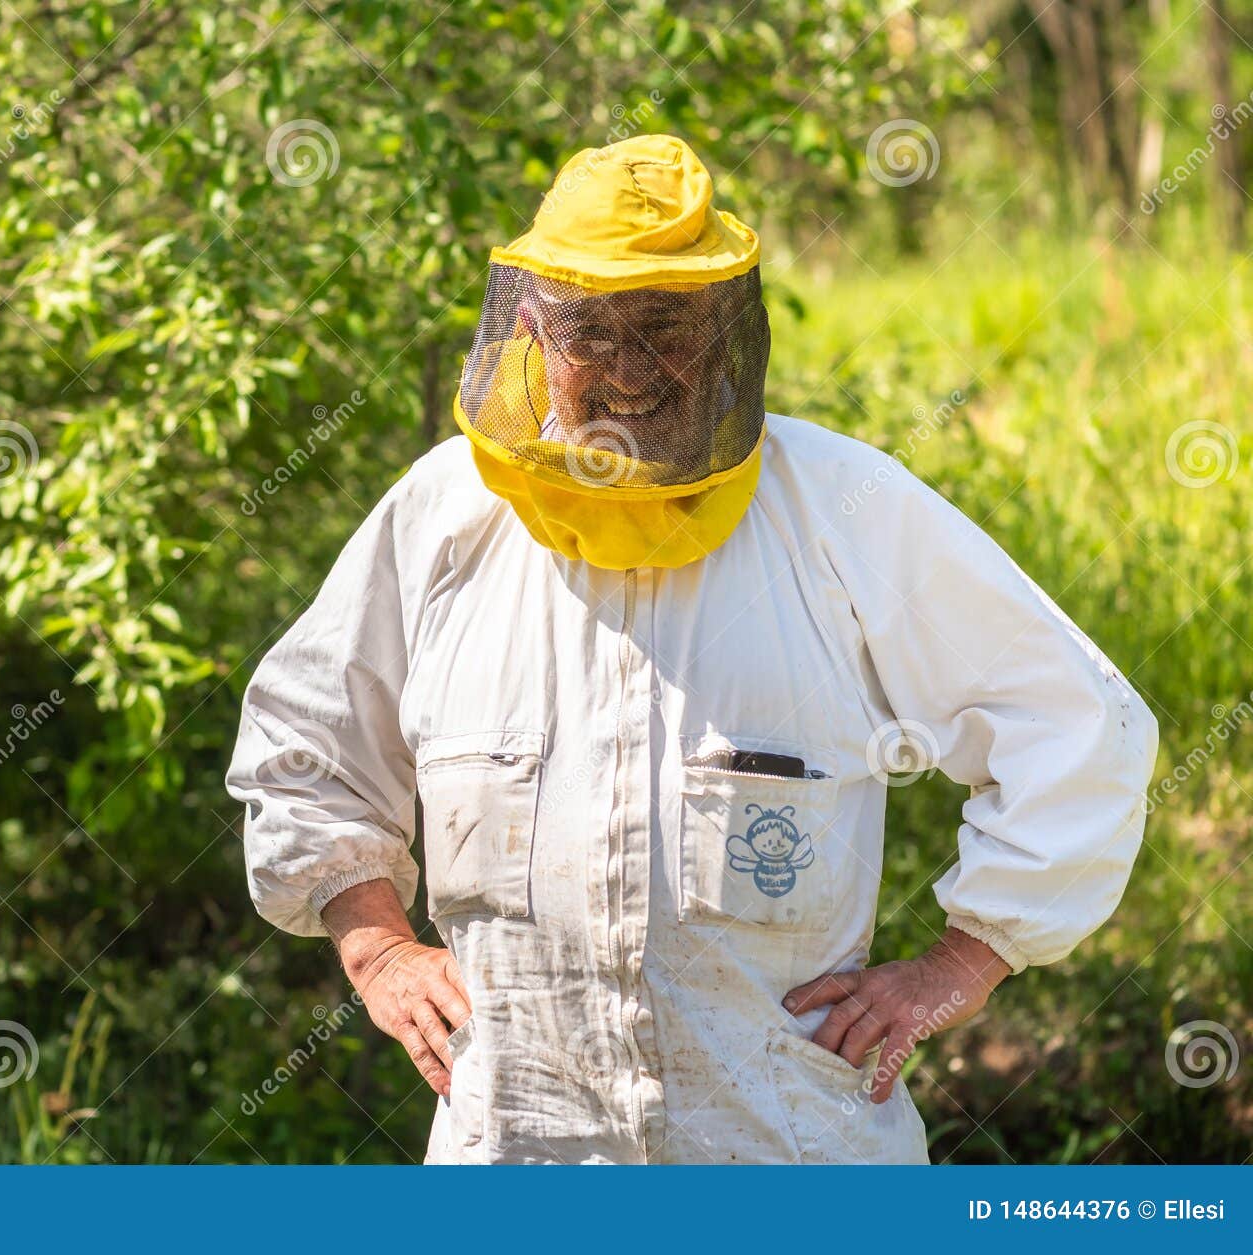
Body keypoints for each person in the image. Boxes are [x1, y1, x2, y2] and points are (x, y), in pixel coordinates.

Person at [225, 134, 1158, 1164]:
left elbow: (1078, 724)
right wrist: (377, 949)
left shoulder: (845, 507)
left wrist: (962, 962)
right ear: (533, 330)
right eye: (592, 329)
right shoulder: (444, 516)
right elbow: (303, 745)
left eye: (663, 324)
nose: (629, 367)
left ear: (723, 334)